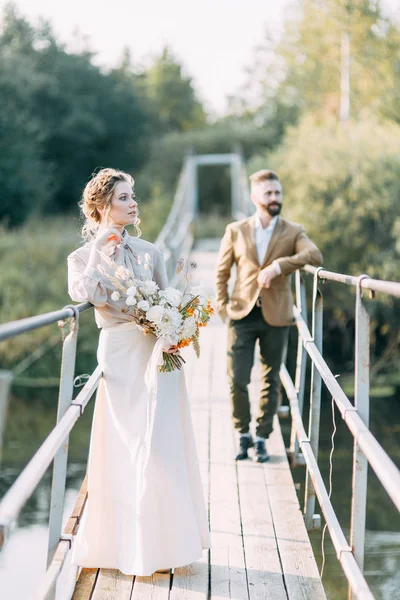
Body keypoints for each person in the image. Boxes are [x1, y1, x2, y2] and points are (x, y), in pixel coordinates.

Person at [67, 168, 210, 576]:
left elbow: (172, 298)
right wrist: (101, 250)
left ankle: (162, 548)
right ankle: (121, 548)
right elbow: (83, 294)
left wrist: (176, 329)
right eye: (124, 198)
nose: (133, 203)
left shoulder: (151, 251)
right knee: (123, 445)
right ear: (102, 207)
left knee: (160, 445)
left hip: (157, 354)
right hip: (118, 355)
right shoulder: (79, 258)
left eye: (133, 196)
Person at [215, 169, 323, 463]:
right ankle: (243, 434)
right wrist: (223, 308)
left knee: (270, 379)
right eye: (269, 193)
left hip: (277, 315)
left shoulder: (293, 230)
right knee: (236, 378)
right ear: (255, 197)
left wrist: (280, 266)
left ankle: (263, 437)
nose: (275, 198)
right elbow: (222, 273)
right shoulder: (235, 230)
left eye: (278, 193)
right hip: (241, 313)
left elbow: (314, 256)